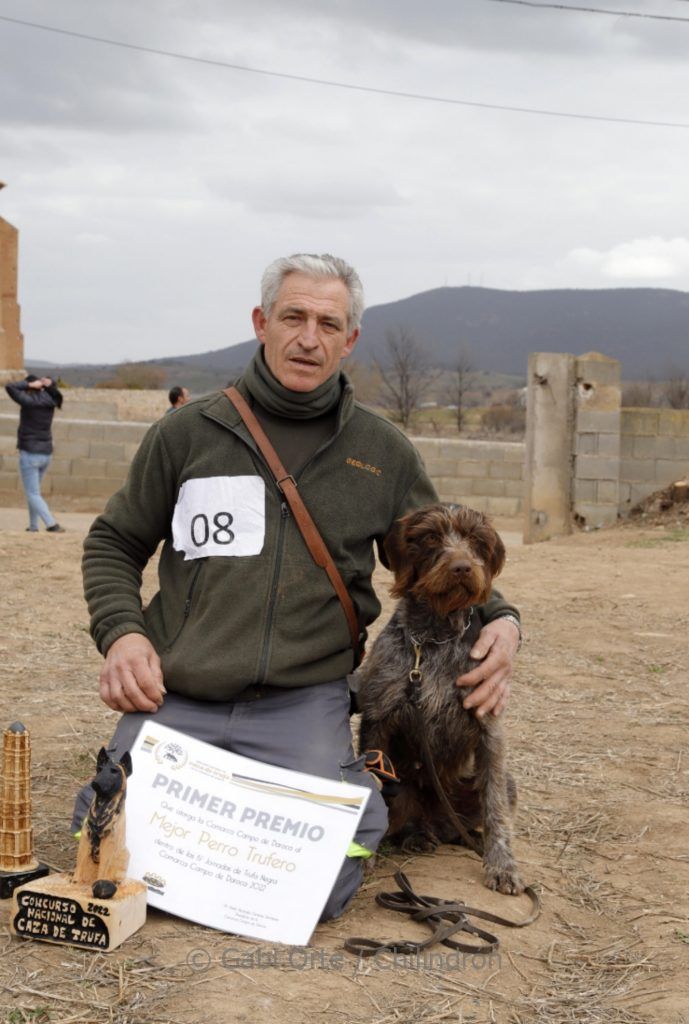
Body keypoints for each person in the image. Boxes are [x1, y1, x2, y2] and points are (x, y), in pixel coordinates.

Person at [76, 253, 521, 920]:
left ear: (350, 339)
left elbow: (444, 554)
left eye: (327, 323)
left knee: (347, 852)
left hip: (300, 706)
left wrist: (505, 620)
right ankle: (222, 874)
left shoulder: (385, 451)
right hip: (180, 692)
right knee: (98, 839)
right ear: (261, 322)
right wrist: (124, 634)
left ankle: (220, 875)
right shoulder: (185, 432)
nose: (308, 338)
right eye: (292, 317)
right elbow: (113, 542)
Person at [5, 374, 65, 533]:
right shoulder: (51, 401)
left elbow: (10, 387)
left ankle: (51, 524)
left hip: (30, 452)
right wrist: (48, 384)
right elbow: (55, 392)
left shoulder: (29, 401)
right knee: (34, 493)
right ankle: (33, 526)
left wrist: (28, 385)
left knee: (32, 493)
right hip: (46, 453)